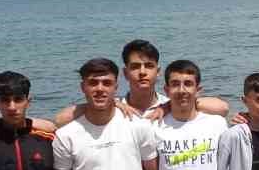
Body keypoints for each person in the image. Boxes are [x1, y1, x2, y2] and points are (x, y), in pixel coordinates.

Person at [54, 39, 230, 123]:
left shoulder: (170, 104)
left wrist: (166, 106)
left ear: (158, 72)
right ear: (125, 73)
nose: (143, 72)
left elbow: (222, 108)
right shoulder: (117, 109)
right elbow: (59, 120)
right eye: (136, 66)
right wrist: (110, 103)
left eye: (149, 66)